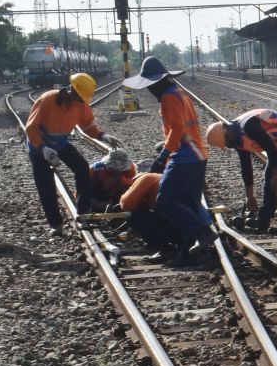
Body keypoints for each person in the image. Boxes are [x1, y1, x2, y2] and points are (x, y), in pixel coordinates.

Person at [124, 56, 213, 261]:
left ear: (159, 82)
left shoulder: (168, 97)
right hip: (198, 155)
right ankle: (187, 251)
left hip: (184, 156)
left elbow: (177, 129)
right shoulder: (179, 93)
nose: (149, 90)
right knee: (188, 203)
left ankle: (203, 232)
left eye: (150, 86)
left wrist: (163, 155)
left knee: (166, 201)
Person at [25, 73, 121, 236]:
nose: (80, 102)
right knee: (45, 185)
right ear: (71, 91)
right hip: (39, 146)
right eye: (79, 98)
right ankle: (55, 225)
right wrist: (43, 148)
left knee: (82, 169)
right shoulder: (46, 100)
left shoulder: (80, 104)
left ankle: (83, 212)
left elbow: (87, 124)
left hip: (61, 143)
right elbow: (31, 128)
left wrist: (101, 135)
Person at [204, 110, 277, 233]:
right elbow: (246, 166)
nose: (227, 146)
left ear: (228, 134)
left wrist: (276, 176)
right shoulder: (236, 138)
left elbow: (271, 149)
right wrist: (250, 196)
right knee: (269, 177)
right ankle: (264, 219)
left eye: (226, 143)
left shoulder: (248, 126)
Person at [119, 172, 188, 263]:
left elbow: (126, 204)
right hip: (190, 226)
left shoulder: (148, 178)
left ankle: (165, 249)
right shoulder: (166, 178)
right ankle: (182, 248)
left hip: (174, 225)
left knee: (132, 215)